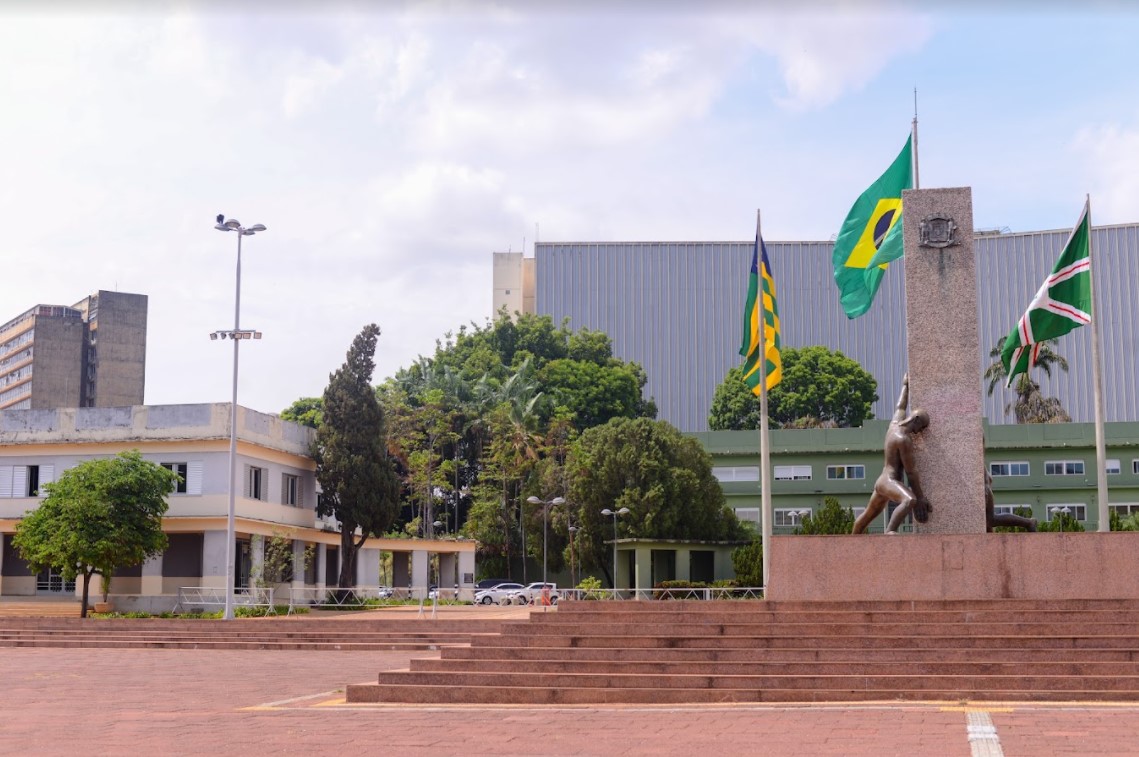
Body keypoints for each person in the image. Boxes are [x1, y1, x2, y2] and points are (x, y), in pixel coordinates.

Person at [853, 373, 930, 534]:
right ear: (915, 419)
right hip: (889, 481)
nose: (919, 432)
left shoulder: (894, 425)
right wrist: (921, 498)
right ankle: (890, 532)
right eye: (921, 427)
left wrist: (905, 386)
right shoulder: (903, 439)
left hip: (883, 481)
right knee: (909, 500)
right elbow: (911, 472)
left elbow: (900, 407)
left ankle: (852, 540)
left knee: (868, 515)